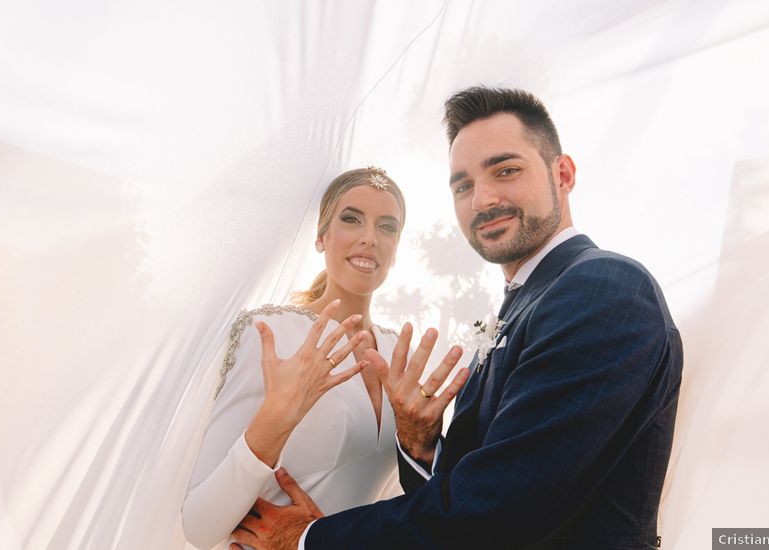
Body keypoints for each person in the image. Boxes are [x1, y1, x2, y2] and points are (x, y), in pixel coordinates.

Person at [234, 86, 684, 549]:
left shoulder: (604, 288)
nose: (483, 199)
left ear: (563, 174)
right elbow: (473, 483)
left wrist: (310, 539)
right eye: (463, 185)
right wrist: (422, 443)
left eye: (506, 171)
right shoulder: (532, 298)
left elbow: (498, 510)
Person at [182, 167, 431, 550]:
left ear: (396, 249)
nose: (370, 238)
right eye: (351, 219)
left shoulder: (402, 357)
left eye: (387, 226)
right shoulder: (270, 335)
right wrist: (275, 420)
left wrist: (319, 539)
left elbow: (402, 511)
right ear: (320, 237)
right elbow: (198, 527)